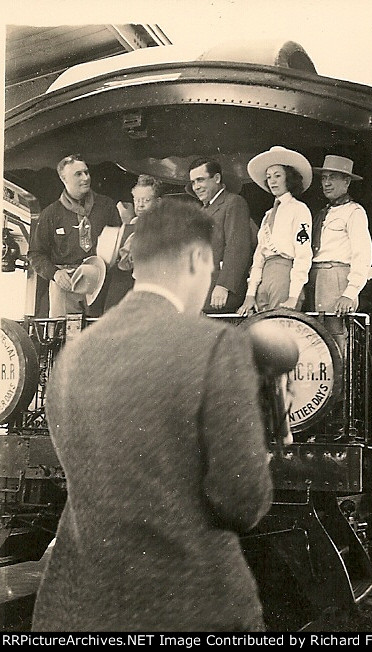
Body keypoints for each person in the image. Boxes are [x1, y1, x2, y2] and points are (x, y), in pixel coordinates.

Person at [31, 197, 273, 632]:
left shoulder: (74, 356)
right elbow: (241, 502)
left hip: (77, 609)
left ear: (135, 262)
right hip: (188, 608)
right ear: (199, 258)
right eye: (213, 265)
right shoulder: (218, 345)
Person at [28, 154, 121, 317]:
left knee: (98, 335)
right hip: (65, 284)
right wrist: (55, 274)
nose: (86, 178)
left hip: (99, 280)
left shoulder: (106, 206)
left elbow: (119, 241)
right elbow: (36, 254)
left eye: (86, 172)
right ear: (64, 179)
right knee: (66, 338)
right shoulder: (50, 214)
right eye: (78, 174)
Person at [237, 146, 313, 315]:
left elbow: (303, 253)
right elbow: (259, 256)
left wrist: (293, 295)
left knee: (281, 331)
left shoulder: (299, 209)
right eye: (269, 177)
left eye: (278, 176)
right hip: (264, 276)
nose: (272, 181)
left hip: (285, 276)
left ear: (289, 178)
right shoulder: (268, 215)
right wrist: (250, 294)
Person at [308, 155, 372, 317]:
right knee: (313, 333)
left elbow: (363, 254)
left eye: (332, 178)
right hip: (315, 276)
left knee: (333, 333)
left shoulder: (354, 212)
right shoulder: (323, 213)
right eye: (324, 178)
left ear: (347, 182)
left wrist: (349, 293)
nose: (326, 183)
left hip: (336, 276)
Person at [187, 157, 254, 313]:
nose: (196, 187)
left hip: (221, 294)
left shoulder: (234, 202)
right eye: (193, 182)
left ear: (216, 178)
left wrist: (224, 285)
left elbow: (237, 247)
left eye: (200, 180)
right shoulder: (203, 211)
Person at [103, 174, 163, 310]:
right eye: (137, 200)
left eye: (146, 200)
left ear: (158, 202)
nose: (140, 205)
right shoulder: (130, 226)